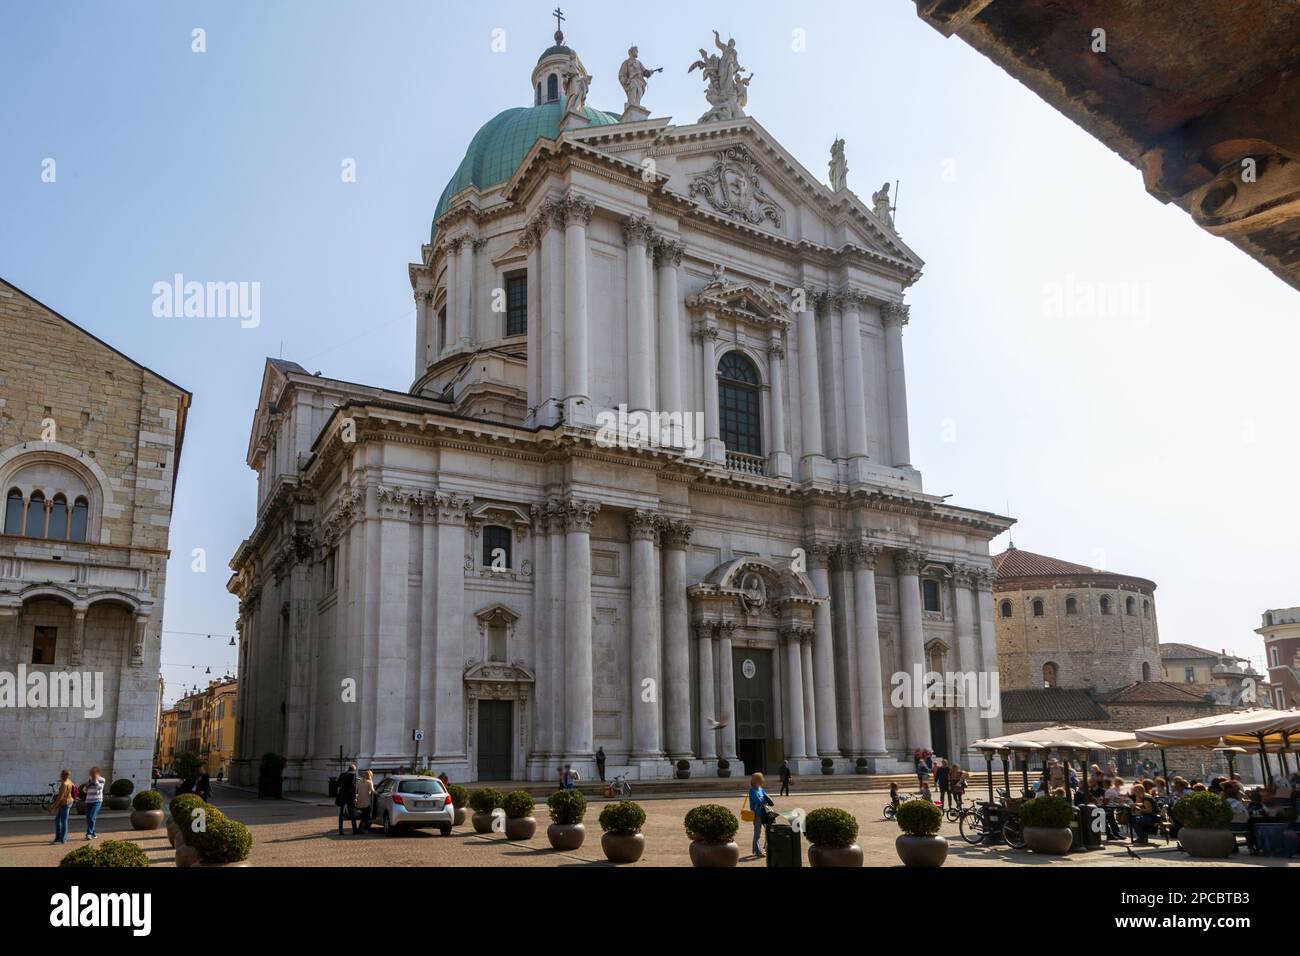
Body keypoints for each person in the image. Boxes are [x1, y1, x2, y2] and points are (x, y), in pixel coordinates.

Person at [746, 772, 773, 858]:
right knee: (757, 833)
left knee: (769, 830)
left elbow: (768, 798)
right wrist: (765, 800)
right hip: (757, 814)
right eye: (761, 779)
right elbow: (759, 801)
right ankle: (757, 851)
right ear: (757, 781)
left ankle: (767, 848)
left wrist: (767, 800)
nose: (763, 781)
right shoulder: (752, 790)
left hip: (765, 813)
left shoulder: (761, 789)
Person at [48, 769, 75, 844]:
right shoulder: (69, 781)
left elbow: (60, 798)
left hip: (65, 803)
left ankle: (62, 840)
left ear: (62, 775)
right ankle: (58, 838)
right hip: (68, 802)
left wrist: (53, 807)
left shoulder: (64, 784)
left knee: (63, 821)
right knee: (58, 820)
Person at [81, 767, 105, 840]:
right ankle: (94, 834)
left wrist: (95, 781)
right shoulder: (89, 780)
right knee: (89, 818)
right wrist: (87, 785)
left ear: (97, 773)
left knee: (92, 817)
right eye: (90, 773)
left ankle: (89, 834)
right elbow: (84, 790)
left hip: (97, 801)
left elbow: (100, 788)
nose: (91, 775)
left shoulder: (102, 779)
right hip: (88, 801)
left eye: (92, 773)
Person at [335, 763, 358, 835]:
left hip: (342, 796)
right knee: (352, 813)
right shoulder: (353, 775)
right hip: (350, 797)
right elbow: (353, 788)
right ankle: (354, 830)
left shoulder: (342, 774)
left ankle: (341, 831)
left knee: (341, 814)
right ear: (354, 770)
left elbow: (337, 784)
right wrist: (354, 798)